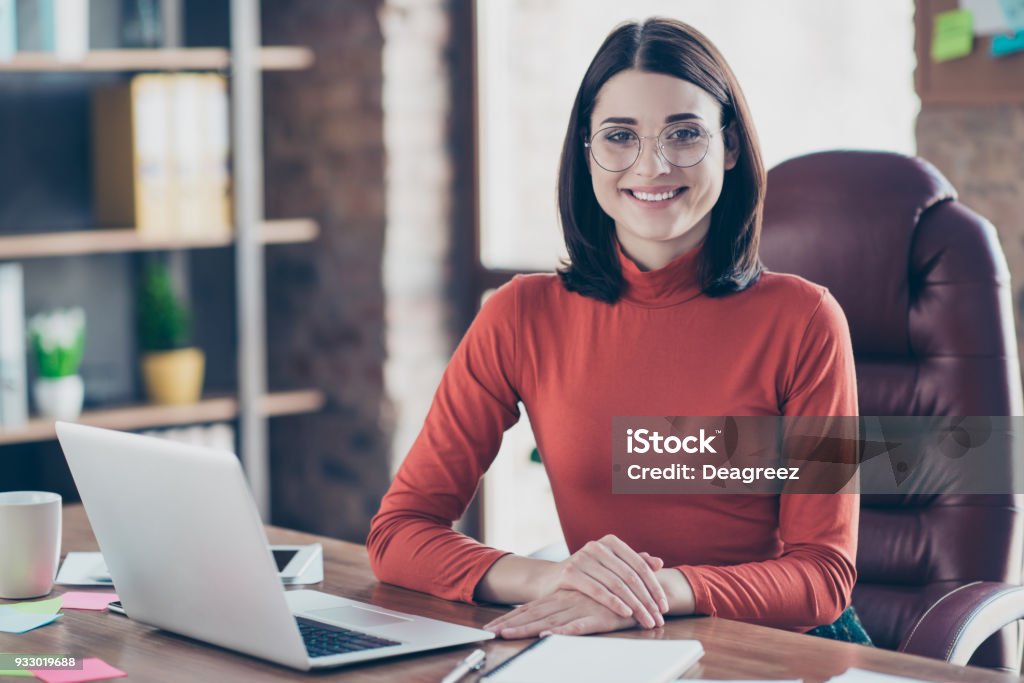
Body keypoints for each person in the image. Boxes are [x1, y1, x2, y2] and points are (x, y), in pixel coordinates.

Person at [367, 17, 859, 640]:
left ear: (730, 146)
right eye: (619, 136)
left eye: (684, 134)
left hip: (777, 646)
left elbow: (823, 576)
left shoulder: (804, 320)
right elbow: (399, 532)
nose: (651, 165)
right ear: (586, 150)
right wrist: (552, 580)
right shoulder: (522, 316)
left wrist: (649, 593)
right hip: (605, 640)